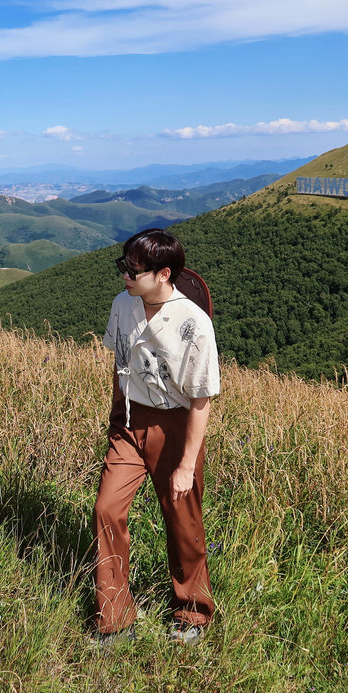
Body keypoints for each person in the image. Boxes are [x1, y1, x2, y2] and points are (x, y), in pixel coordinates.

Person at [92, 228, 220, 647]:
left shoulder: (193, 324)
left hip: (175, 425)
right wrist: (117, 418)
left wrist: (186, 463)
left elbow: (201, 400)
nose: (125, 276)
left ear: (164, 274)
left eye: (134, 270)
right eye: (123, 266)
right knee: (107, 509)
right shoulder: (122, 305)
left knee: (183, 522)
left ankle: (192, 614)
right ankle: (115, 620)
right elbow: (119, 365)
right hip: (129, 421)